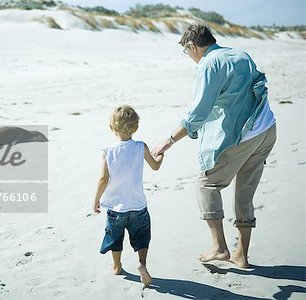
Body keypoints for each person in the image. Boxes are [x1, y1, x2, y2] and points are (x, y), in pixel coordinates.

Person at [152, 24, 276, 268]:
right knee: (244, 193)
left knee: (207, 184)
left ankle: (220, 247)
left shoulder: (209, 64)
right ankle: (241, 256)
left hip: (245, 134)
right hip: (267, 128)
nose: (189, 58)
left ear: (193, 46)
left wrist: (169, 139)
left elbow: (199, 112)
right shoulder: (240, 54)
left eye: (187, 53)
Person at [93, 105, 164, 286]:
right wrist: (161, 155)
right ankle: (142, 264)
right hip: (138, 205)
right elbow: (155, 166)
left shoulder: (107, 152)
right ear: (136, 127)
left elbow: (103, 178)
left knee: (115, 238)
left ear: (111, 127)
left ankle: (117, 266)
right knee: (142, 237)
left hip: (116, 208)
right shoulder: (141, 147)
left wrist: (96, 200)